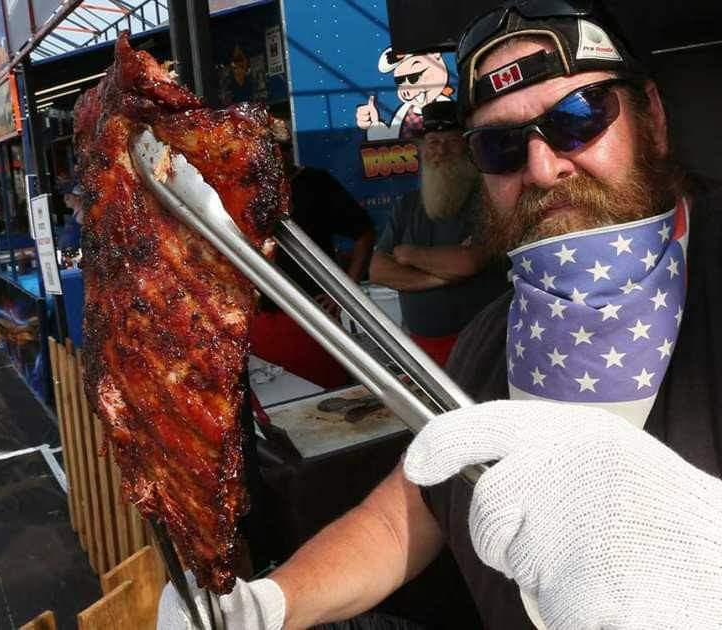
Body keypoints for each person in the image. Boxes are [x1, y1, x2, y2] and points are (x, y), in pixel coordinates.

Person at [158, 4, 722, 629]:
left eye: (578, 118)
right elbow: (409, 510)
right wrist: (271, 603)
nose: (543, 168)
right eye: (501, 145)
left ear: (654, 120)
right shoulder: (488, 344)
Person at [370, 100, 508, 365]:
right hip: (422, 349)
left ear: (468, 147)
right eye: (433, 142)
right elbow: (378, 271)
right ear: (423, 149)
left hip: (483, 345)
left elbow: (468, 262)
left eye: (451, 142)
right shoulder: (408, 204)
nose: (441, 151)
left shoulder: (490, 197)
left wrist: (407, 254)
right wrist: (442, 278)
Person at [250, 137, 376, 389]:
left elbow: (364, 233)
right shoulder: (248, 191)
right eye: (265, 149)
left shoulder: (316, 184)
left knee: (328, 400)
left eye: (280, 148)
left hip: (315, 317)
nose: (274, 155)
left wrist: (344, 292)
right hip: (260, 319)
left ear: (289, 150)